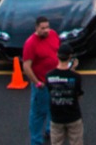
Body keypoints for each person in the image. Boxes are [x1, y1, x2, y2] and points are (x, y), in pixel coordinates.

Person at [22, 16, 62, 144]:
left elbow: (58, 52)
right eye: (42, 28)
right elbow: (26, 67)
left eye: (47, 27)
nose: (46, 30)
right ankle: (36, 141)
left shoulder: (54, 35)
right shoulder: (30, 44)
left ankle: (50, 130)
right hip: (42, 84)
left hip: (55, 81)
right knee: (38, 114)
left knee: (54, 107)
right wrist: (37, 83)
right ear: (36, 28)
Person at [46, 44, 84, 144]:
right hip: (73, 116)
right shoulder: (76, 77)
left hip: (56, 117)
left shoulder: (49, 76)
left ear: (57, 56)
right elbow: (79, 95)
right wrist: (73, 69)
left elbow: (50, 91)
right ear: (70, 58)